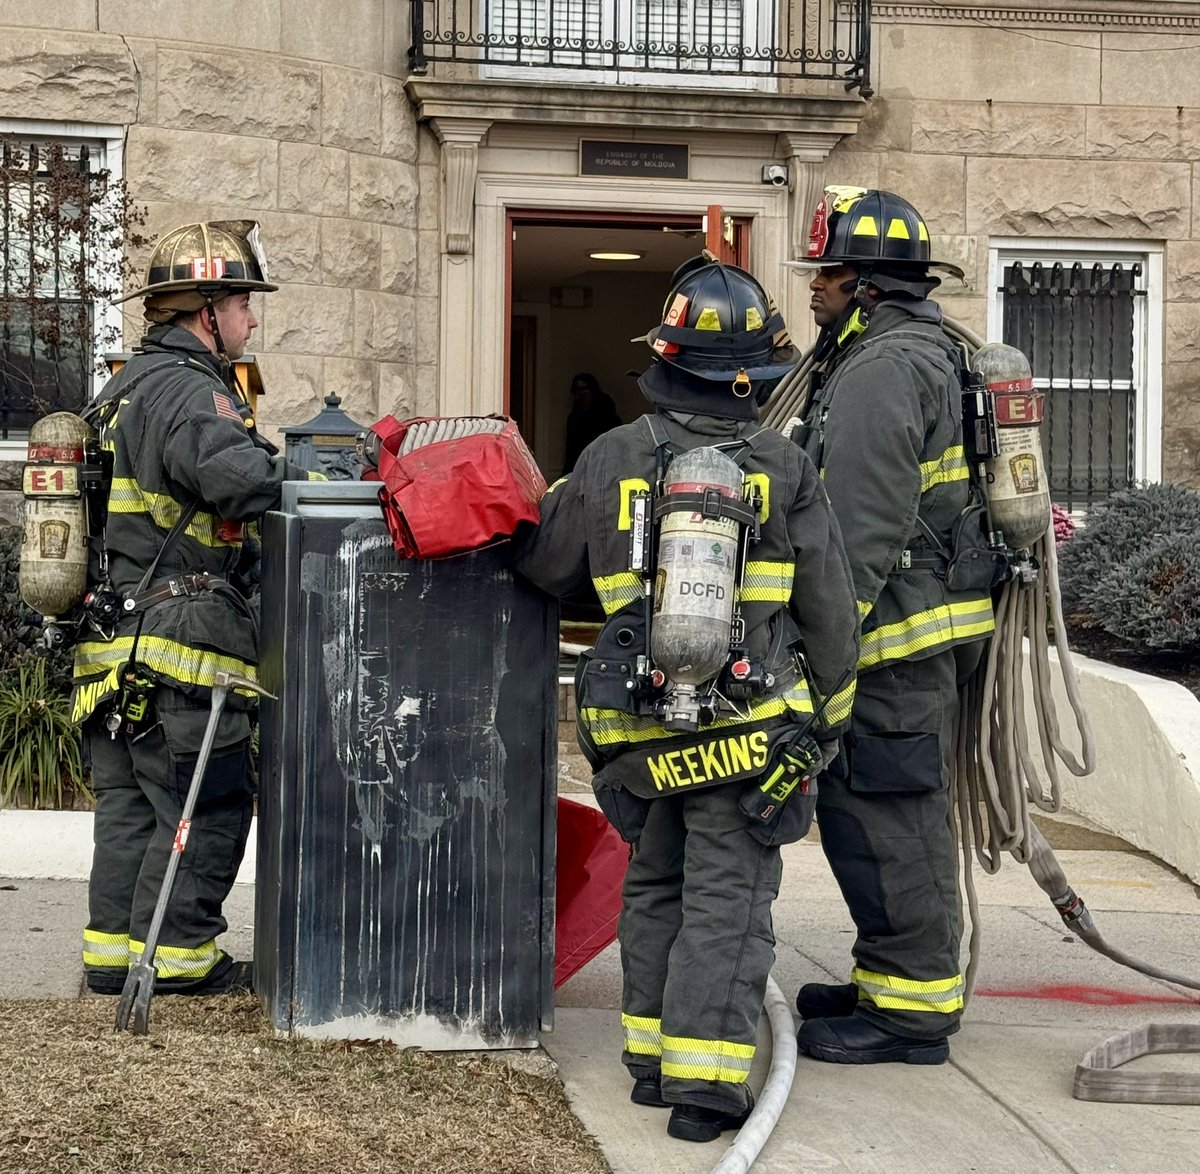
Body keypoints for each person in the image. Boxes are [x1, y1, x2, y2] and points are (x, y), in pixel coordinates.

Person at [517, 256, 859, 1142]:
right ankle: (704, 1087)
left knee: (655, 882)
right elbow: (830, 612)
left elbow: (544, 567)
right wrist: (825, 724)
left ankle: (648, 1061)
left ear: (663, 362)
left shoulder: (610, 455)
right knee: (727, 898)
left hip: (636, 735)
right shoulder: (783, 467)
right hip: (747, 731)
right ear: (757, 377)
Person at [74, 220, 324, 996]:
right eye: (244, 303)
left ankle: (113, 958)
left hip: (113, 641)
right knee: (204, 801)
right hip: (179, 636)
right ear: (207, 309)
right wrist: (320, 481)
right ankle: (180, 958)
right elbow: (243, 483)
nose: (252, 319)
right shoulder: (191, 391)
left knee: (131, 810)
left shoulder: (121, 388)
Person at [787, 187, 996, 1064]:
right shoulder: (907, 352)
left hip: (890, 649)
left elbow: (857, 535)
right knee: (872, 819)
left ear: (868, 286)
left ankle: (911, 1011)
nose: (814, 287)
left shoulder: (881, 371)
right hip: (908, 640)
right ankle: (888, 976)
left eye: (828, 273)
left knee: (890, 821)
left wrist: (821, 655)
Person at [562, 371, 621, 473]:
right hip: (580, 468)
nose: (581, 393)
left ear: (593, 390)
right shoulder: (574, 418)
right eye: (578, 390)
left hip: (604, 467)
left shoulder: (607, 414)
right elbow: (571, 452)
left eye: (585, 389)